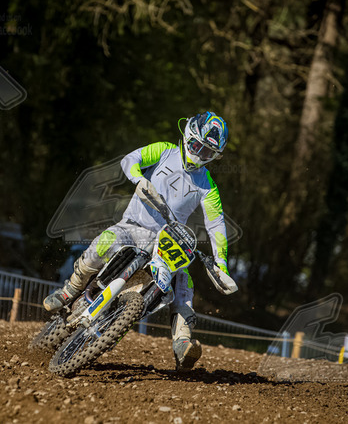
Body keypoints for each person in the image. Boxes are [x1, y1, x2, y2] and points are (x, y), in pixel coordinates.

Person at [43, 111, 231, 371]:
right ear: (188, 136)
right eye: (198, 146)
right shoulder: (164, 151)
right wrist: (138, 178)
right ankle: (70, 290)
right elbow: (131, 159)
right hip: (134, 226)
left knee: (184, 281)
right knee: (105, 241)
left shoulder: (208, 186)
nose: (200, 154)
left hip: (168, 242)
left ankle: (183, 342)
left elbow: (216, 224)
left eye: (208, 152)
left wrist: (221, 263)